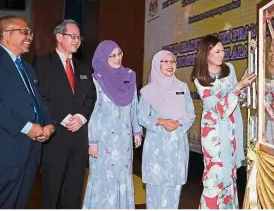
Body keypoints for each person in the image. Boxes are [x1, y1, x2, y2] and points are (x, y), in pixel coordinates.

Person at [0, 15, 55, 208]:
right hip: (2, 151)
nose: (30, 36)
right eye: (24, 32)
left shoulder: (26, 67)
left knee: (19, 202)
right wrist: (27, 127)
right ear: (6, 34)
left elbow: (37, 101)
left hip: (29, 150)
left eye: (30, 32)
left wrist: (49, 124)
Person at [33, 19, 97, 208]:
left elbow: (91, 97)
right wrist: (64, 117)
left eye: (79, 37)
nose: (77, 40)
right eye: (73, 36)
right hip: (55, 137)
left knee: (74, 188)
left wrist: (81, 117)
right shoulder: (42, 64)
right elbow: (40, 97)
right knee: (51, 189)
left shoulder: (84, 68)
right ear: (59, 37)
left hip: (79, 137)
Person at [190, 35, 256, 209]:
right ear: (206, 54)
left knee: (230, 175)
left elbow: (237, 100)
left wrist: (242, 88)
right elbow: (219, 109)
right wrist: (238, 87)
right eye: (217, 51)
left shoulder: (229, 69)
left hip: (231, 130)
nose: (222, 54)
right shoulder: (199, 78)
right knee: (215, 176)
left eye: (223, 50)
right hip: (213, 134)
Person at [82, 40, 143, 209]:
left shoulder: (130, 75)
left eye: (120, 54)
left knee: (122, 175)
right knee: (103, 176)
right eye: (112, 55)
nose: (118, 58)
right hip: (103, 140)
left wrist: (137, 131)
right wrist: (92, 140)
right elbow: (94, 110)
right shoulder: (96, 79)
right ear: (103, 58)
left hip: (123, 140)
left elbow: (134, 104)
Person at [138, 50, 196, 209]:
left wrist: (178, 123)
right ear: (157, 64)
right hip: (156, 146)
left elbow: (190, 114)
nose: (170, 65)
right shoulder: (148, 91)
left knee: (174, 190)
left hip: (177, 145)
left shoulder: (182, 87)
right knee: (155, 190)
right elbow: (141, 116)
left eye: (173, 61)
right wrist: (161, 121)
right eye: (165, 61)